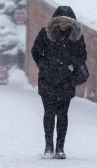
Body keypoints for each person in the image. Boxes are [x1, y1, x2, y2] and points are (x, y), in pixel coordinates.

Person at [31, 6, 87, 159]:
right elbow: (35, 51)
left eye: (67, 22)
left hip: (65, 81)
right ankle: (48, 146)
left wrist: (71, 66)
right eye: (61, 22)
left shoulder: (76, 36)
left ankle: (60, 148)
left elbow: (82, 56)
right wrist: (45, 66)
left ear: (71, 23)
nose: (64, 25)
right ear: (55, 21)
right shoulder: (46, 33)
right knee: (49, 114)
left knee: (62, 115)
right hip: (47, 80)